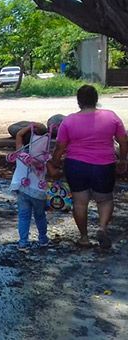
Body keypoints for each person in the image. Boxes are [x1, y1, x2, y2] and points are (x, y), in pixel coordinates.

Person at [51, 85, 127, 249]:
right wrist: (122, 160)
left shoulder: (68, 121)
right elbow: (123, 141)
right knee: (105, 199)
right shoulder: (111, 117)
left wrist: (54, 163)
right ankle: (102, 228)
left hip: (76, 165)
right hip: (104, 165)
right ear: (96, 99)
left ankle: (84, 237)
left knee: (80, 202)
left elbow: (60, 147)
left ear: (78, 101)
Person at [10, 125, 50, 252]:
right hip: (38, 192)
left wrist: (29, 127)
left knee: (23, 216)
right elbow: (54, 172)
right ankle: (43, 239)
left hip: (22, 189)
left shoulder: (20, 153)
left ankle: (23, 243)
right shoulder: (44, 158)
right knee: (40, 216)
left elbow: (19, 135)